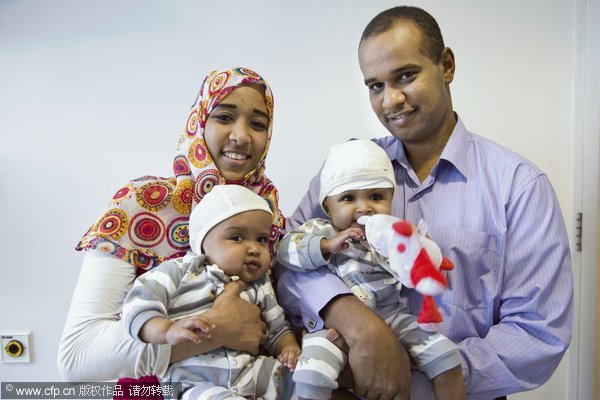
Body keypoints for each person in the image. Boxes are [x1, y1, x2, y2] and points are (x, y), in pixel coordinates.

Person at [275, 6, 573, 400]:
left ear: (446, 65)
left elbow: (539, 334)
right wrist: (357, 323)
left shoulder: (519, 186)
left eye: (406, 76)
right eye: (375, 86)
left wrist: (419, 365)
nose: (390, 100)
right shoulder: (345, 171)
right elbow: (287, 263)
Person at [58, 67, 287, 384]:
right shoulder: (139, 207)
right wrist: (215, 330)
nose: (241, 135)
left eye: (258, 124)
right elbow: (77, 359)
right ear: (198, 122)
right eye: (223, 117)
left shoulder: (269, 217)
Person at [276, 139, 465, 400]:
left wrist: (419, 252)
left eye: (376, 197)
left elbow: (413, 273)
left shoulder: (390, 233)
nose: (364, 207)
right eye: (348, 198)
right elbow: (285, 251)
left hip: (393, 316)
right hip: (330, 328)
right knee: (310, 375)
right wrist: (326, 245)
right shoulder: (320, 230)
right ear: (328, 207)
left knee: (446, 356)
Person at [122, 184, 346, 399]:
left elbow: (277, 329)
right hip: (195, 381)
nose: (254, 249)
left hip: (252, 372)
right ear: (203, 243)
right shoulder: (180, 271)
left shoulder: (260, 285)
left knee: (322, 343)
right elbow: (139, 303)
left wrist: (289, 348)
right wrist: (166, 331)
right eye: (236, 237)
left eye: (261, 240)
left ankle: (310, 389)